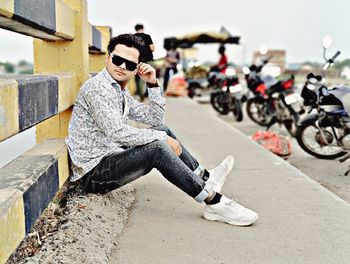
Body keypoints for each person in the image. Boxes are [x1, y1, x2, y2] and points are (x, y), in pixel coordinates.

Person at [65, 33, 258, 227]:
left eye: (130, 64)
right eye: (117, 60)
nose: (122, 67)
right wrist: (162, 138)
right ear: (108, 57)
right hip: (93, 175)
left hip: (109, 158)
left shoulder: (119, 91)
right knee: (157, 148)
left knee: (162, 129)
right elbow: (118, 132)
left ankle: (205, 178)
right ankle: (213, 201)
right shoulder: (98, 89)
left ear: (137, 69)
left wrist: (152, 83)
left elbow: (155, 118)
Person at [134, 23, 154, 101]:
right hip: (147, 59)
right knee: (148, 76)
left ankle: (140, 94)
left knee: (137, 78)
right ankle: (146, 93)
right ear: (143, 28)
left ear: (136, 29)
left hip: (136, 60)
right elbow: (152, 48)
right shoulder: (147, 36)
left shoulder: (132, 37)